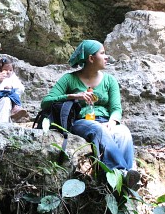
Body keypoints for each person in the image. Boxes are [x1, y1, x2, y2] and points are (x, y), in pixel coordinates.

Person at [41, 39, 140, 190]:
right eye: (103, 53)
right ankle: (120, 173)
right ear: (91, 58)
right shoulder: (69, 79)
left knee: (123, 132)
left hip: (106, 121)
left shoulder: (110, 80)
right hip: (80, 122)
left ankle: (127, 180)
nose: (107, 57)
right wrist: (73, 96)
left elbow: (116, 109)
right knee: (97, 129)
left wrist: (112, 122)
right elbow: (46, 102)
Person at [0, 56, 27, 124]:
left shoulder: (14, 78)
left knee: (15, 97)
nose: (8, 72)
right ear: (0, 69)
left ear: (13, 70)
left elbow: (21, 87)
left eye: (10, 70)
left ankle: (16, 108)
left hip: (10, 93)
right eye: (5, 69)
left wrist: (12, 86)